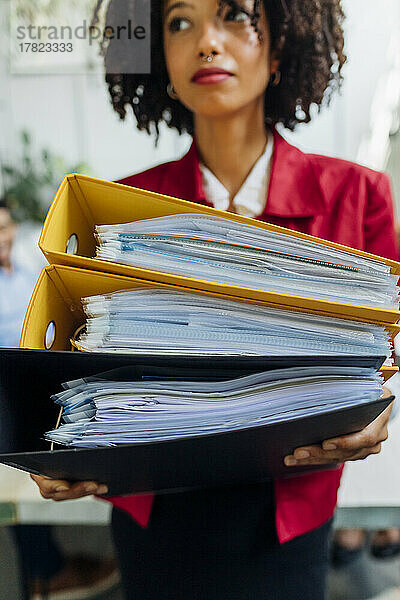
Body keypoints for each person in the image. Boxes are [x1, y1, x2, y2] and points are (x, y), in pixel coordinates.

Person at [30, 1, 399, 598]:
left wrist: (375, 411)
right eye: (179, 22)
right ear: (160, 62)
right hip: (154, 515)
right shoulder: (118, 219)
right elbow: (79, 364)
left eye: (235, 15)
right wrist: (60, 442)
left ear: (279, 47)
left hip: (288, 521)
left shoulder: (358, 199)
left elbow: (382, 363)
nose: (207, 41)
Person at [0, 198, 119, 599]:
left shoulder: (25, 275)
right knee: (23, 471)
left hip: (44, 371)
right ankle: (45, 572)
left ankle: (53, 566)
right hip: (9, 386)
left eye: (5, 226)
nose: (2, 236)